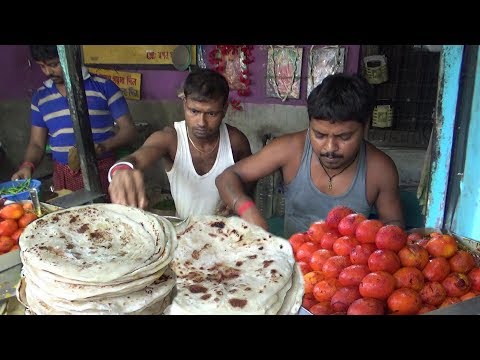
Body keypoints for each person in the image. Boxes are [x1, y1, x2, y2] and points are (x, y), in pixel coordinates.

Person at [216, 73, 405, 237]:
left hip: (348, 272)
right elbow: (227, 177)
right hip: (294, 264)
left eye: (344, 136)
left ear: (365, 126)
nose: (330, 147)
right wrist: (247, 209)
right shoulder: (290, 149)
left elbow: (393, 228)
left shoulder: (380, 169)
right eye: (320, 135)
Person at [108, 68, 252, 218]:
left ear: (224, 109)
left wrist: (237, 200)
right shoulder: (171, 139)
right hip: (184, 235)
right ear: (185, 104)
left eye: (211, 113)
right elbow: (139, 157)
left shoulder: (236, 141)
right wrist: (122, 169)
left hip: (226, 234)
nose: (201, 123)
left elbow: (250, 178)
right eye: (194, 111)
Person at [11, 45, 137, 196]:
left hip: (102, 170)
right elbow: (37, 144)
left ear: (71, 59)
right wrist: (27, 166)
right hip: (62, 175)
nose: (48, 72)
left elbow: (129, 131)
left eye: (54, 64)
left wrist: (103, 147)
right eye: (42, 66)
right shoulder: (41, 97)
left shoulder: (104, 87)